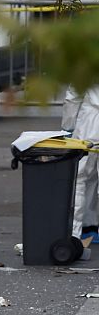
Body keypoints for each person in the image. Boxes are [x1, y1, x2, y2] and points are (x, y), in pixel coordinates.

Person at [65, 86, 99, 239]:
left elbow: (73, 95)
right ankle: (90, 225)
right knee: (91, 178)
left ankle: (76, 232)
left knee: (80, 177)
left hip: (88, 124)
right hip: (90, 121)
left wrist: (67, 127)